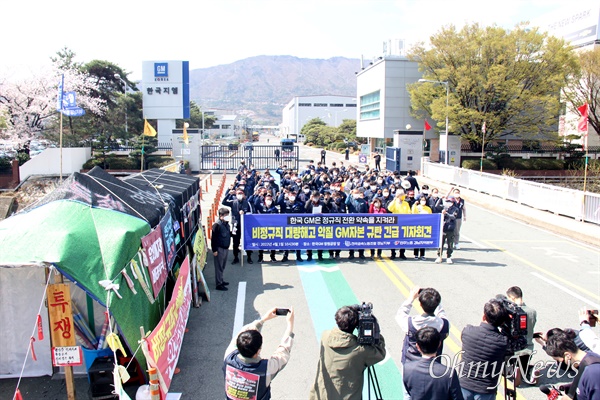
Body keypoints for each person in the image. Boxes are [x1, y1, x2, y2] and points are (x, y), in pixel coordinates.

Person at [309, 305, 386, 400]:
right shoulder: (360, 350)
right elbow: (380, 352)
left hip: (322, 394)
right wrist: (375, 328)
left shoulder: (325, 336)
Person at [223, 307, 295, 400]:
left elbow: (243, 332)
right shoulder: (266, 369)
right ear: (258, 351)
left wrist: (263, 319)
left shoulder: (229, 356)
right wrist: (290, 324)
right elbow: (284, 351)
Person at [459, 299, 509, 400]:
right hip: (486, 390)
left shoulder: (468, 331)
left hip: (464, 385)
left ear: (484, 316)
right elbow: (520, 344)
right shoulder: (503, 342)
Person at [403, 327, 464, 400]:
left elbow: (408, 394)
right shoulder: (448, 373)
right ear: (439, 344)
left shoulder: (407, 369)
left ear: (418, 346)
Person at [396, 286, 450, 364]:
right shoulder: (444, 325)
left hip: (410, 363)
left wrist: (411, 298)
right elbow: (441, 313)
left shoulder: (410, 323)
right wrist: (435, 301)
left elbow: (400, 314)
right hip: (433, 365)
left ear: (420, 305)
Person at [544, 329, 600, 400]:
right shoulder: (588, 358)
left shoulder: (592, 374)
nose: (559, 364)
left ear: (567, 356)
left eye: (558, 360)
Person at [505, 286, 538, 385]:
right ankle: (530, 373)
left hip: (513, 351)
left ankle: (512, 372)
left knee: (499, 367)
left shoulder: (510, 312)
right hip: (528, 349)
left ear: (512, 298)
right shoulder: (532, 312)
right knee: (524, 367)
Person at [222, 188, 254, 265]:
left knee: (247, 241)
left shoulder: (247, 203)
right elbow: (223, 202)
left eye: (241, 193)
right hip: (236, 226)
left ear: (243, 195)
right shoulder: (233, 202)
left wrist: (245, 212)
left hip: (245, 226)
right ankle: (235, 257)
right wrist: (229, 194)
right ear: (236, 195)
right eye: (238, 194)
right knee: (235, 243)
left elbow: (251, 213)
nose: (240, 195)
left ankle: (249, 257)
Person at [211, 208, 232, 291]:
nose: (228, 217)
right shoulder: (217, 225)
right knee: (219, 267)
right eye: (226, 215)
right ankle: (219, 284)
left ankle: (221, 280)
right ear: (221, 216)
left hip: (225, 248)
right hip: (219, 249)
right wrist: (214, 250)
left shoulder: (226, 224)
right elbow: (214, 239)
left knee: (222, 266)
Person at [436, 196, 459, 264]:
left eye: (450, 202)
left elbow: (453, 217)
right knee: (441, 243)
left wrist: (446, 213)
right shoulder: (444, 207)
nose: (448, 203)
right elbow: (437, 206)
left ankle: (448, 257)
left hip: (450, 229)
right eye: (447, 202)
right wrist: (440, 198)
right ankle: (439, 256)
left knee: (450, 244)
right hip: (443, 228)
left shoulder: (455, 209)